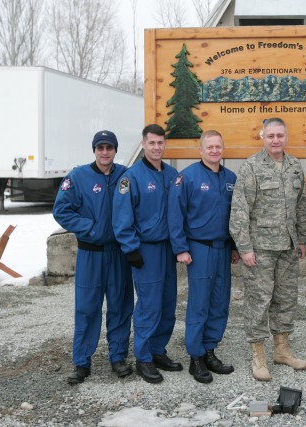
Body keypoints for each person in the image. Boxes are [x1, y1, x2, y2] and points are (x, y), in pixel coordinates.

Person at [229, 117, 306, 381]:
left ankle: (282, 351)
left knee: (286, 300)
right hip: (260, 249)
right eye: (271, 136)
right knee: (259, 301)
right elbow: (240, 210)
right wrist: (245, 248)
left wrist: (301, 239)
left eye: (280, 136)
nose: (276, 140)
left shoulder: (295, 166)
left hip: (287, 246)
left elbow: (301, 206)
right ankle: (258, 355)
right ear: (263, 137)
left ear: (286, 137)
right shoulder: (252, 167)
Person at [52, 130, 134, 385]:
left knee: (120, 306)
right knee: (87, 308)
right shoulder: (79, 176)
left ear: (115, 150)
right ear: (94, 150)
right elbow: (61, 210)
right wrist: (91, 227)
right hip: (91, 254)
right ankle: (81, 362)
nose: (105, 152)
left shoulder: (125, 175)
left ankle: (118, 357)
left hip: (119, 254)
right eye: (100, 148)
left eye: (109, 147)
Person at [167, 130, 239, 384]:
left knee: (220, 302)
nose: (214, 151)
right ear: (201, 150)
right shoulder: (186, 178)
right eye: (209, 147)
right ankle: (195, 357)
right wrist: (181, 248)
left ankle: (210, 349)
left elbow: (234, 217)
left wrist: (234, 247)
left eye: (218, 146)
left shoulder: (231, 178)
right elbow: (175, 215)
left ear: (223, 149)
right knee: (200, 303)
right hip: (198, 249)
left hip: (222, 248)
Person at [112, 124, 180, 384]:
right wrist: (131, 249)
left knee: (167, 303)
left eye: (160, 143)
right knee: (149, 305)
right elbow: (121, 217)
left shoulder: (172, 174)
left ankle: (157, 350)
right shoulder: (132, 178)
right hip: (146, 250)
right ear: (144, 144)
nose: (156, 147)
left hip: (167, 248)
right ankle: (142, 357)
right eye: (151, 143)